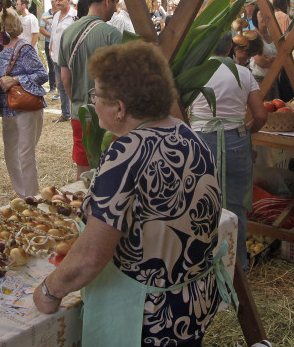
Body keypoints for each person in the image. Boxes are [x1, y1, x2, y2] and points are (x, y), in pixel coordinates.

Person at [33, 41, 230, 346]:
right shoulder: (187, 133)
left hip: (147, 318)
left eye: (96, 95)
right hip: (193, 303)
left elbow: (91, 257)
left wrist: (49, 291)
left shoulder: (126, 152)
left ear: (120, 108)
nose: (93, 101)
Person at [191, 32, 268, 271]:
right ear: (229, 49)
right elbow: (261, 115)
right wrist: (245, 132)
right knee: (235, 207)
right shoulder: (243, 73)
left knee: (199, 204)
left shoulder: (194, 72)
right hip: (236, 140)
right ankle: (237, 267)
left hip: (201, 139)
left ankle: (200, 264)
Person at [58, 0, 124, 177]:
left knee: (83, 165)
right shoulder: (111, 34)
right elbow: (120, 81)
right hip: (108, 117)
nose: (115, 7)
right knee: (111, 165)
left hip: (79, 112)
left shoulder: (68, 32)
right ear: (107, 1)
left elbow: (64, 78)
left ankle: (82, 203)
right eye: (116, 2)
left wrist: (76, 101)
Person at [0, 9, 48, 197]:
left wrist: (16, 80)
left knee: (25, 154)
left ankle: (32, 197)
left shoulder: (23, 48)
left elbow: (42, 74)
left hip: (26, 107)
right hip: (8, 109)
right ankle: (23, 195)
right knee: (11, 156)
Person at [48, 0, 77, 122]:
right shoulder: (56, 15)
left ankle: (76, 111)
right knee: (61, 84)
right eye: (57, 0)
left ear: (68, 1)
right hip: (56, 55)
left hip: (70, 57)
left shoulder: (75, 16)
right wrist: (51, 48)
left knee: (73, 84)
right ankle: (66, 113)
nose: (57, 2)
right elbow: (53, 34)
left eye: (60, 0)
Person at [40, 8, 56, 93]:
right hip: (50, 43)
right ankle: (52, 86)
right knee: (52, 65)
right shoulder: (50, 19)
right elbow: (43, 20)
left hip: (59, 44)